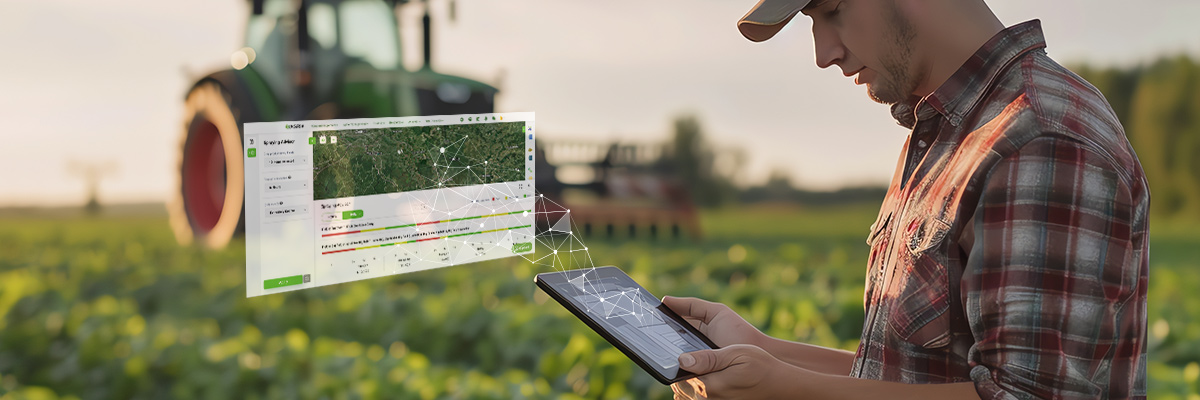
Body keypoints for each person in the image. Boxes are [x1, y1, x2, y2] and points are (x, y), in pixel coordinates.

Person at [665, 0, 1150, 399]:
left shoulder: (1039, 138)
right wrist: (768, 353)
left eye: (832, 11)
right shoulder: (946, 133)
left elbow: (1028, 395)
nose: (823, 52)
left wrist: (786, 389)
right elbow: (915, 378)